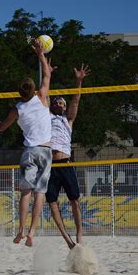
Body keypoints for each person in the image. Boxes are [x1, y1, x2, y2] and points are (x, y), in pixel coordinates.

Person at [0, 41, 55, 247]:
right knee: (40, 193)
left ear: (20, 92)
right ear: (34, 90)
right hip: (45, 151)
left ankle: (20, 230)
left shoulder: (17, 108)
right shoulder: (43, 98)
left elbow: (2, 128)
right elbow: (47, 75)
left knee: (25, 193)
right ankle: (31, 232)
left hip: (29, 151)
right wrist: (41, 55)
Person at [46, 64, 90, 249]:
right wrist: (47, 72)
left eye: (61, 103)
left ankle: (79, 233)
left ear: (64, 107)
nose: (58, 104)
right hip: (50, 166)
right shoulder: (46, 117)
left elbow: (76, 100)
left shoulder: (67, 119)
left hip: (65, 163)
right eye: (56, 102)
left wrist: (79, 81)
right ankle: (67, 240)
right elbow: (44, 94)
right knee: (52, 202)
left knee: (74, 200)